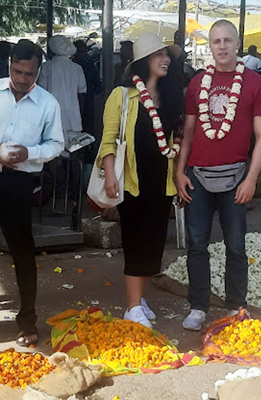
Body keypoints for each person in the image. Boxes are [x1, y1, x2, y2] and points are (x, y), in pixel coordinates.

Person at [176, 20, 261, 331]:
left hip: (236, 177)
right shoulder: (196, 84)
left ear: (237, 42)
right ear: (210, 45)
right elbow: (188, 132)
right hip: (197, 177)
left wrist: (251, 178)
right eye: (216, 41)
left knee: (235, 246)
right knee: (196, 245)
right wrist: (179, 172)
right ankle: (198, 306)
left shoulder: (256, 84)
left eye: (227, 40)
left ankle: (234, 307)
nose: (222, 46)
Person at [0, 39, 64, 346]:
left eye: (29, 74)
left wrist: (30, 152)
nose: (22, 79)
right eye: (17, 71)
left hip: (18, 182)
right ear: (9, 63)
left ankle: (27, 320)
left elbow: (56, 145)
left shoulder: (47, 103)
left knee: (22, 253)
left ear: (38, 72)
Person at [98, 33, 183, 328]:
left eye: (167, 55)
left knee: (154, 242)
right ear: (143, 62)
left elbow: (174, 141)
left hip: (161, 183)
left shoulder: (168, 99)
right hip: (132, 181)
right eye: (158, 54)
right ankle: (132, 306)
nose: (165, 60)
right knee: (135, 241)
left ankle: (140, 299)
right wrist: (110, 175)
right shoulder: (121, 96)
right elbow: (108, 140)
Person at [38, 35, 86, 149]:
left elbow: (41, 93)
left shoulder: (47, 67)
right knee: (74, 149)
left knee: (52, 150)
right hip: (73, 117)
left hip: (52, 116)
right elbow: (81, 93)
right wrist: (79, 113)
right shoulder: (77, 68)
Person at [72, 40, 101, 135]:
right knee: (88, 126)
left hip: (75, 98)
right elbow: (96, 81)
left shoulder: (74, 63)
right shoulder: (88, 61)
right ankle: (88, 147)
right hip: (88, 96)